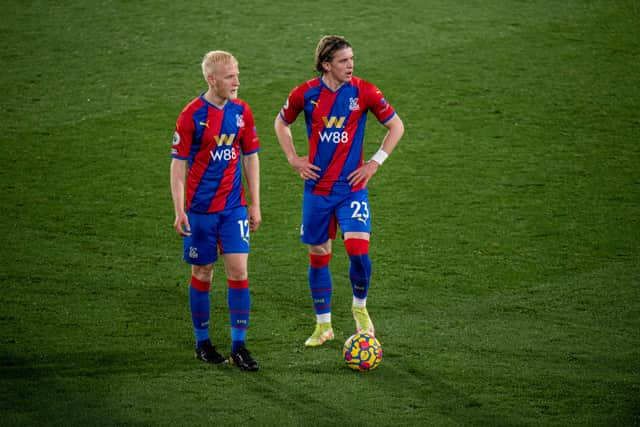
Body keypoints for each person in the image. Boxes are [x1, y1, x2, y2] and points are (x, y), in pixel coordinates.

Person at [274, 35, 404, 347]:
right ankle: (324, 326)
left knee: (358, 252)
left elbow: (396, 126)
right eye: (344, 60)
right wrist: (294, 159)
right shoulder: (304, 94)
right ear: (326, 64)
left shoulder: (365, 91)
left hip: (351, 188)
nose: (351, 65)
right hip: (317, 189)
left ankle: (359, 307)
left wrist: (374, 163)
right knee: (319, 254)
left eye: (352, 59)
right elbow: (281, 123)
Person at [170, 50, 261, 370]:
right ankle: (202, 342)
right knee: (203, 272)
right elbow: (178, 166)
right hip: (200, 212)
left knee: (239, 272)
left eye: (237, 73)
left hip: (233, 208)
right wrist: (180, 210)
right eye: (230, 76)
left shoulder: (241, 111)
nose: (237, 81)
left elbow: (250, 156)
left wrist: (255, 203)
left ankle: (239, 346)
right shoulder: (191, 115)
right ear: (212, 80)